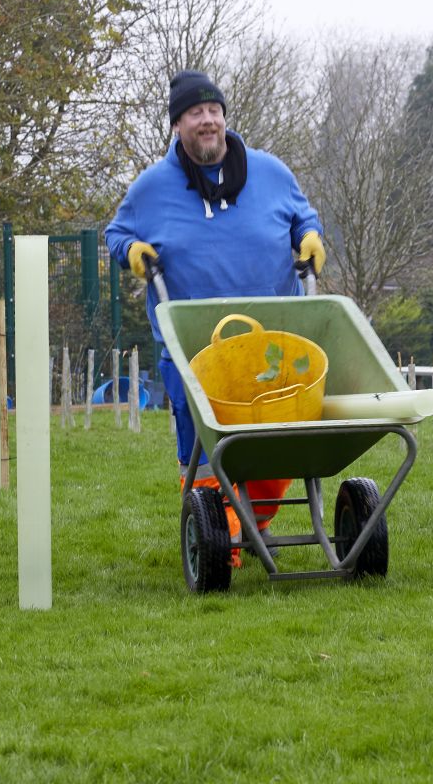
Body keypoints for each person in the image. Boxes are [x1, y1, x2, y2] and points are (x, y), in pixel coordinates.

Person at [105, 70, 326, 566]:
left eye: (213, 111)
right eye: (194, 114)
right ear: (178, 125)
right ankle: (217, 529)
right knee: (206, 446)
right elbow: (115, 233)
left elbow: (303, 217)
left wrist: (310, 237)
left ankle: (250, 519)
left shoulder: (271, 172)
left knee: (277, 439)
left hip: (272, 342)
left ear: (224, 117)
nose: (207, 121)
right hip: (192, 346)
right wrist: (133, 251)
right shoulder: (152, 187)